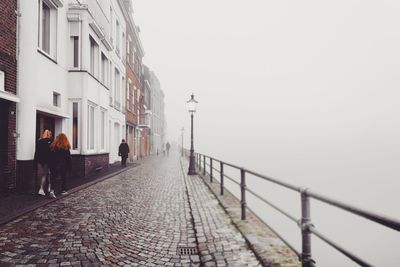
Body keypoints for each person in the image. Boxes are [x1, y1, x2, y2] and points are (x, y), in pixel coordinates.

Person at [33, 129, 54, 198]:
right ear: (49, 134)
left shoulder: (39, 141)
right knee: (49, 174)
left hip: (41, 161)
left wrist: (36, 160)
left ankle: (43, 188)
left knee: (44, 174)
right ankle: (46, 188)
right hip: (49, 161)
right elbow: (52, 152)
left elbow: (37, 152)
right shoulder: (51, 141)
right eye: (50, 134)